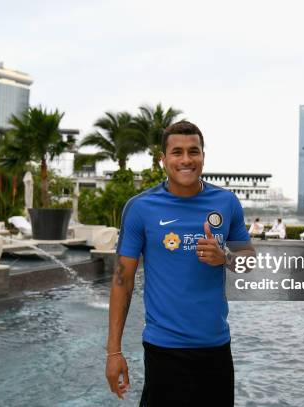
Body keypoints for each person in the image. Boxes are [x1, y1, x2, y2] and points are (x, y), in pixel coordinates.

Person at [105, 121, 254, 406]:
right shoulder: (140, 208)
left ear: (202, 156)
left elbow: (247, 263)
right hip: (164, 350)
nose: (186, 160)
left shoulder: (226, 203)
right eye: (177, 152)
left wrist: (225, 258)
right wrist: (114, 352)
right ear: (163, 159)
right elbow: (122, 282)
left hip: (216, 349)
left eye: (193, 151)